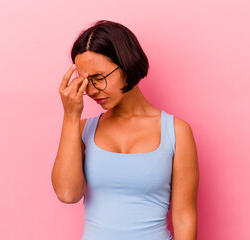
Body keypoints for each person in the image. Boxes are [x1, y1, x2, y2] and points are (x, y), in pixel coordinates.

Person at [51, 20, 199, 240]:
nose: (91, 91)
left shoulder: (176, 132)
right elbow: (67, 194)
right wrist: (71, 115)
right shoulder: (82, 130)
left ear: (126, 65)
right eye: (85, 82)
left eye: (98, 78)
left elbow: (184, 217)